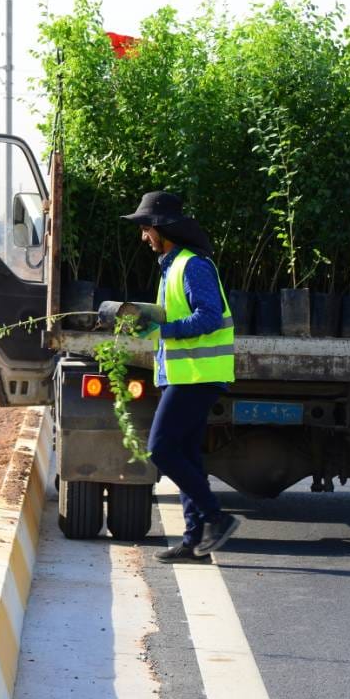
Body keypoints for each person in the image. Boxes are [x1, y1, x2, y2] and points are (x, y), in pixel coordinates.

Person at [122, 191, 241, 562]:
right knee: (187, 454)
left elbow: (208, 316)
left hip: (198, 376)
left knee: (161, 449)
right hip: (184, 374)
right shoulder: (172, 267)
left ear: (160, 229)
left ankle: (216, 518)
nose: (143, 237)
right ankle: (194, 540)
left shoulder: (192, 266)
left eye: (145, 229)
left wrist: (162, 332)